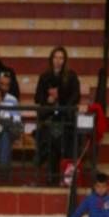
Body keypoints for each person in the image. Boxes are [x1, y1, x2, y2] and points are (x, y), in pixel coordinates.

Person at [34, 45, 81, 185]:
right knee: (52, 138)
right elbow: (37, 98)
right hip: (48, 118)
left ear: (65, 60)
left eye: (61, 58)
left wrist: (61, 101)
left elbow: (76, 96)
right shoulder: (44, 77)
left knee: (58, 139)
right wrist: (48, 100)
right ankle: (53, 176)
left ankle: (56, 176)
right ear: (51, 59)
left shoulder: (71, 76)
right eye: (55, 57)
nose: (58, 60)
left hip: (65, 119)